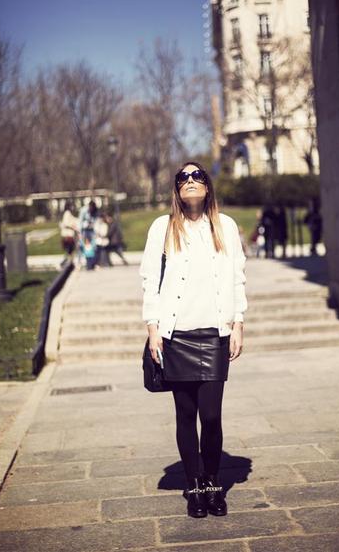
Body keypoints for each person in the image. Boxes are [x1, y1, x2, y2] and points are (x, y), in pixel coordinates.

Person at [140, 161, 247, 519]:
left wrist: (239, 322)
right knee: (185, 415)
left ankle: (214, 482)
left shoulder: (225, 226)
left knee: (212, 416)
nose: (190, 181)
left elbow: (237, 277)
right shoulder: (163, 227)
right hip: (177, 334)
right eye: (182, 177)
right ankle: (195, 486)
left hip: (214, 332)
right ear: (176, 188)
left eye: (197, 175)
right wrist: (153, 327)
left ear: (207, 186)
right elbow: (149, 277)